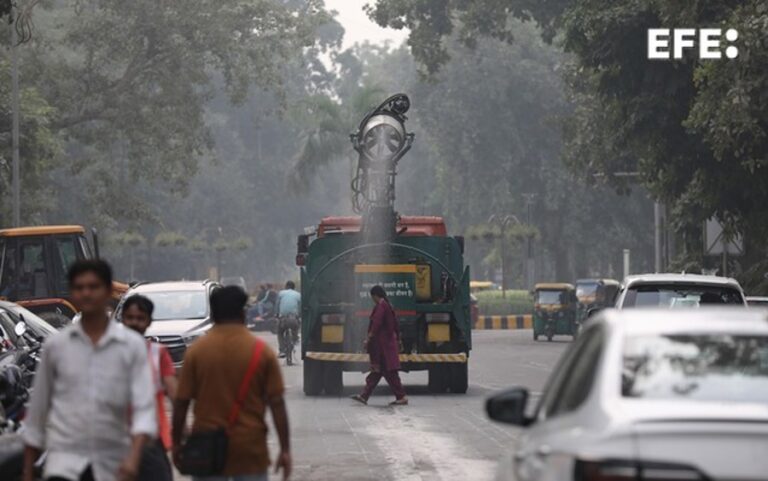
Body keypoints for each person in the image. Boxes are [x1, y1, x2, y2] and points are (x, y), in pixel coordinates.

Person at [23, 259, 156, 481]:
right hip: (63, 465)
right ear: (72, 293)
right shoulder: (55, 347)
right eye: (79, 287)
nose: (86, 293)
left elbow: (144, 409)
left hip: (114, 465)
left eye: (93, 287)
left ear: (107, 292)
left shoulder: (131, 347)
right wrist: (28, 471)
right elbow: (37, 414)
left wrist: (134, 459)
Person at [172, 285, 291, 481]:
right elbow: (277, 403)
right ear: (243, 312)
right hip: (250, 449)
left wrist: (177, 443)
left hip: (207, 448)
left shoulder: (197, 352)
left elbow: (181, 402)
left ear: (214, 313)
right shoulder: (262, 352)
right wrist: (285, 449)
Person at [121, 295, 177, 481]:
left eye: (140, 318)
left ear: (149, 322)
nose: (134, 323)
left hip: (150, 443)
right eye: (130, 318)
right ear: (122, 319)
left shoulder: (158, 354)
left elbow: (175, 396)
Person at [351, 285, 408, 406]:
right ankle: (364, 396)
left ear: (376, 295)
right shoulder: (388, 305)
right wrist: (399, 339)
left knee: (388, 372)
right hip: (386, 345)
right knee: (377, 372)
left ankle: (401, 396)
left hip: (383, 346)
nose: (373, 300)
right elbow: (395, 325)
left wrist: (369, 338)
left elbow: (376, 323)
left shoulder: (381, 306)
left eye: (373, 297)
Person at [275, 281, 301, 357]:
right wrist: (299, 316)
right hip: (293, 319)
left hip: (283, 318)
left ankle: (282, 351)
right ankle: (295, 339)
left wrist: (276, 314)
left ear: (286, 286)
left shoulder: (281, 293)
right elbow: (300, 306)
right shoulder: (298, 294)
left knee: (280, 332)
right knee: (296, 328)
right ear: (294, 287)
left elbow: (277, 305)